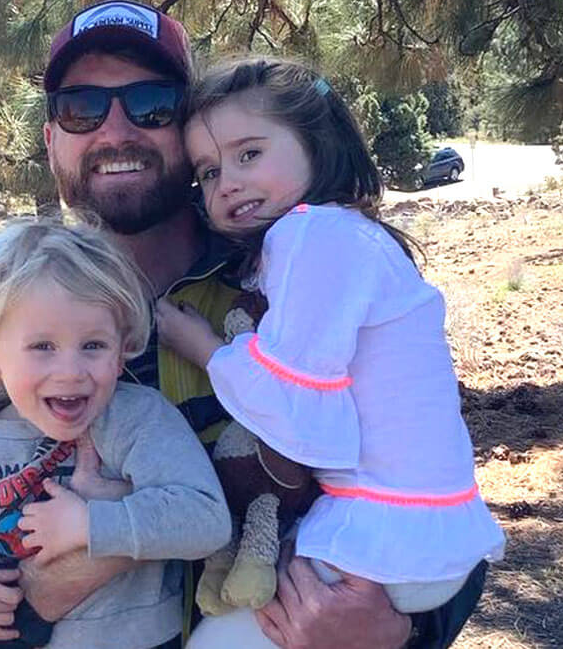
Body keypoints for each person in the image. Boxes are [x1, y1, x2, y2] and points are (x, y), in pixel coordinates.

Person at [0, 0, 490, 649]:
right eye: (81, 107)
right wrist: (53, 584)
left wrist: (402, 630)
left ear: (194, 128)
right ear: (51, 140)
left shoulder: (294, 293)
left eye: (151, 104)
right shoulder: (9, 344)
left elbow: (430, 485)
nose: (115, 130)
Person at [154, 55, 508, 647]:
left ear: (316, 144)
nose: (229, 182)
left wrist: (202, 347)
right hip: (425, 528)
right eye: (209, 172)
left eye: (250, 154)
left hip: (381, 532)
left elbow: (301, 413)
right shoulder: (350, 236)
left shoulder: (312, 234)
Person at [0, 218, 229, 649]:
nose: (71, 372)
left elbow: (207, 520)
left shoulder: (137, 421)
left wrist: (91, 524)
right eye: (42, 347)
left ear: (122, 352)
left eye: (93, 345)